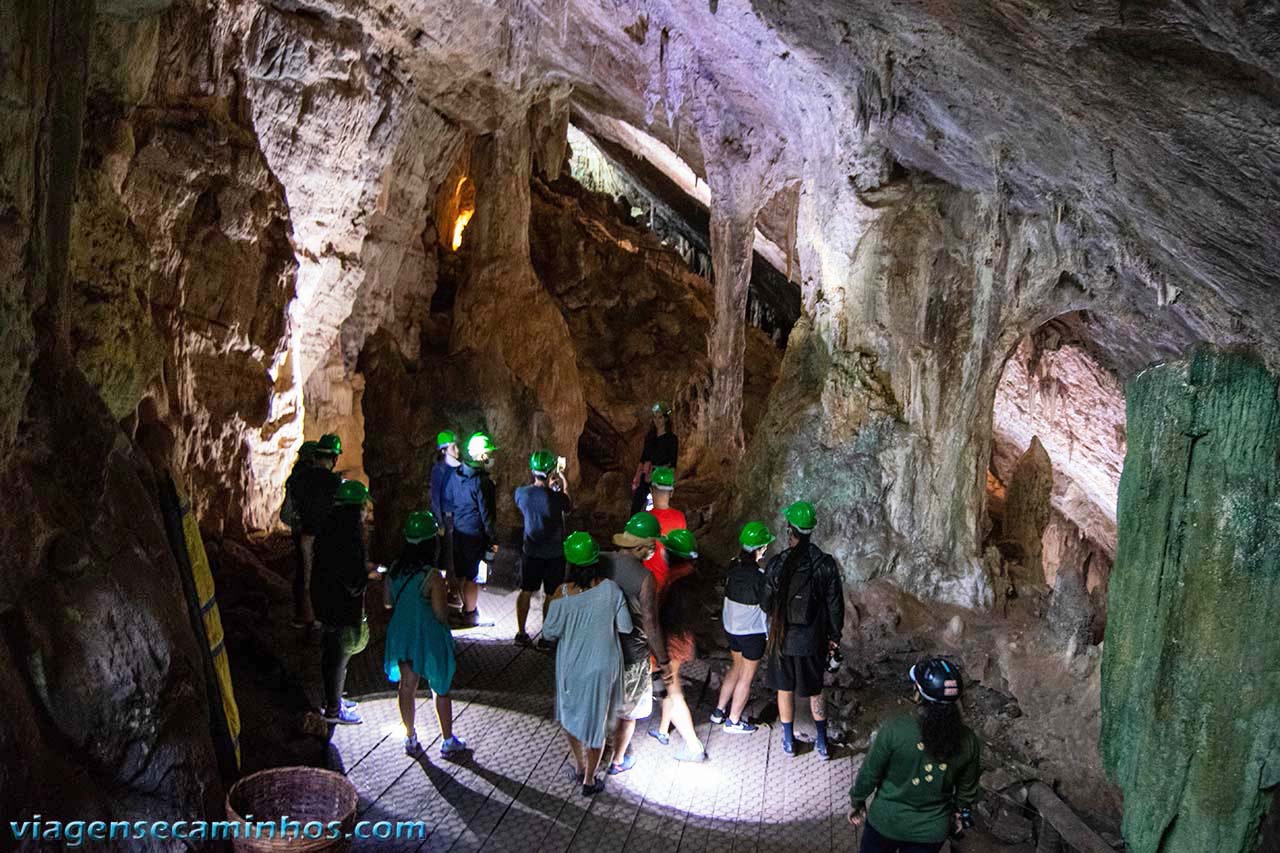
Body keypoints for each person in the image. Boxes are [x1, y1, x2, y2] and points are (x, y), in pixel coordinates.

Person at [847, 659, 981, 853]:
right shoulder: (968, 740)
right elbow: (967, 789)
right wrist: (960, 812)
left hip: (886, 822)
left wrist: (856, 802)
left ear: (918, 693)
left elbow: (870, 773)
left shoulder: (895, 729)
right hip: (931, 830)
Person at [542, 532, 633, 796]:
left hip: (571, 665)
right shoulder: (611, 590)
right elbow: (625, 627)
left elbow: (549, 632)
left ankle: (580, 766)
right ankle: (590, 780)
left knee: (570, 715)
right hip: (603, 666)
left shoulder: (562, 594)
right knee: (597, 723)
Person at [760, 500, 845, 758]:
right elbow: (835, 607)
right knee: (816, 688)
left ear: (790, 530)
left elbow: (765, 603)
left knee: (784, 688)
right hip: (812, 640)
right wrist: (834, 637)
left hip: (782, 638)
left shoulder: (776, 564)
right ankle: (821, 743)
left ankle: (788, 741)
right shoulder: (825, 564)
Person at [382, 510, 467, 758]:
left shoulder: (395, 569)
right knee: (440, 686)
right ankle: (448, 740)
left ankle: (410, 737)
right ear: (432, 543)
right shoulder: (432, 576)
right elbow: (440, 614)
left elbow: (387, 602)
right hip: (427, 636)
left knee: (406, 685)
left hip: (402, 633)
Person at [597, 512, 665, 775]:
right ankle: (617, 759)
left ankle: (596, 753)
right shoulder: (646, 579)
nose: (653, 550)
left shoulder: (602, 561)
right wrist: (663, 658)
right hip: (632, 652)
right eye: (652, 545)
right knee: (629, 711)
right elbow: (650, 622)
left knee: (602, 705)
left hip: (601, 645)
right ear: (641, 547)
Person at [311, 478, 372, 725]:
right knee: (339, 656)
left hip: (325, 600)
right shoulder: (350, 536)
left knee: (332, 652)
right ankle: (335, 710)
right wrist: (367, 576)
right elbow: (352, 578)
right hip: (340, 605)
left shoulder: (330, 527)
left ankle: (332, 699)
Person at [646, 528, 707, 762]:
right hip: (683, 640)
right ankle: (663, 729)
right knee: (670, 687)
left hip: (670, 642)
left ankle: (693, 746)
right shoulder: (690, 576)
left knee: (673, 691)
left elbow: (660, 617)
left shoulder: (673, 581)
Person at [711, 521, 774, 733]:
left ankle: (718, 712)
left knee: (735, 667)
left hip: (731, 628)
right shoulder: (759, 577)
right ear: (761, 548)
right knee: (746, 677)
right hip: (751, 633)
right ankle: (734, 721)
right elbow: (768, 606)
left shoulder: (732, 567)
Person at [513, 450, 572, 648]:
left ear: (533, 470)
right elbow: (568, 504)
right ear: (550, 471)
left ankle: (521, 633)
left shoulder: (522, 494)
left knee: (526, 591)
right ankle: (546, 637)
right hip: (554, 553)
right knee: (551, 594)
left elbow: (527, 501)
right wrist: (563, 483)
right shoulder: (556, 499)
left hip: (531, 551)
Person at [445, 432, 498, 626]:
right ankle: (470, 613)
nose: (491, 457)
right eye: (489, 453)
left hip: (459, 531)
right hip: (475, 534)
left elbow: (450, 501)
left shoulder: (456, 475)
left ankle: (464, 608)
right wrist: (493, 539)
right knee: (473, 576)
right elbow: (487, 514)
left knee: (462, 573)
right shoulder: (482, 482)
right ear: (481, 455)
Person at [292, 433, 344, 629]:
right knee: (323, 577)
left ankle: (306, 618)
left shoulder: (302, 477)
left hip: (305, 534)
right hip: (323, 536)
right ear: (334, 458)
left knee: (306, 577)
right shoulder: (333, 482)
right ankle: (319, 620)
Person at [281, 440, 319, 626]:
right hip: (310, 529)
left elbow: (286, 513)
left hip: (298, 529)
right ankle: (311, 616)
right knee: (312, 572)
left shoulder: (294, 477)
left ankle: (301, 613)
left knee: (301, 570)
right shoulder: (311, 478)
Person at [429, 430, 462, 603]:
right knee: (449, 558)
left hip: (459, 518)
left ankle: (455, 595)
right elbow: (435, 496)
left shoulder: (459, 468)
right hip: (448, 518)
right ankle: (450, 595)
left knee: (457, 557)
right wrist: (439, 522)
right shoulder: (440, 470)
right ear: (443, 450)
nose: (457, 450)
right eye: (453, 447)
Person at [641, 466, 686, 588]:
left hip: (648, 585)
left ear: (651, 490)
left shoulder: (644, 519)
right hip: (670, 585)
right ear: (672, 492)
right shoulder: (680, 518)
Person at [630, 402, 678, 514]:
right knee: (636, 506)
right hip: (646, 474)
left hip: (660, 477)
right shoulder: (650, 437)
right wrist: (637, 476)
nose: (657, 421)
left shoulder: (671, 439)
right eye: (655, 418)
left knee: (657, 508)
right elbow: (643, 457)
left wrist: (657, 472)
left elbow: (672, 463)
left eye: (660, 417)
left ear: (666, 419)